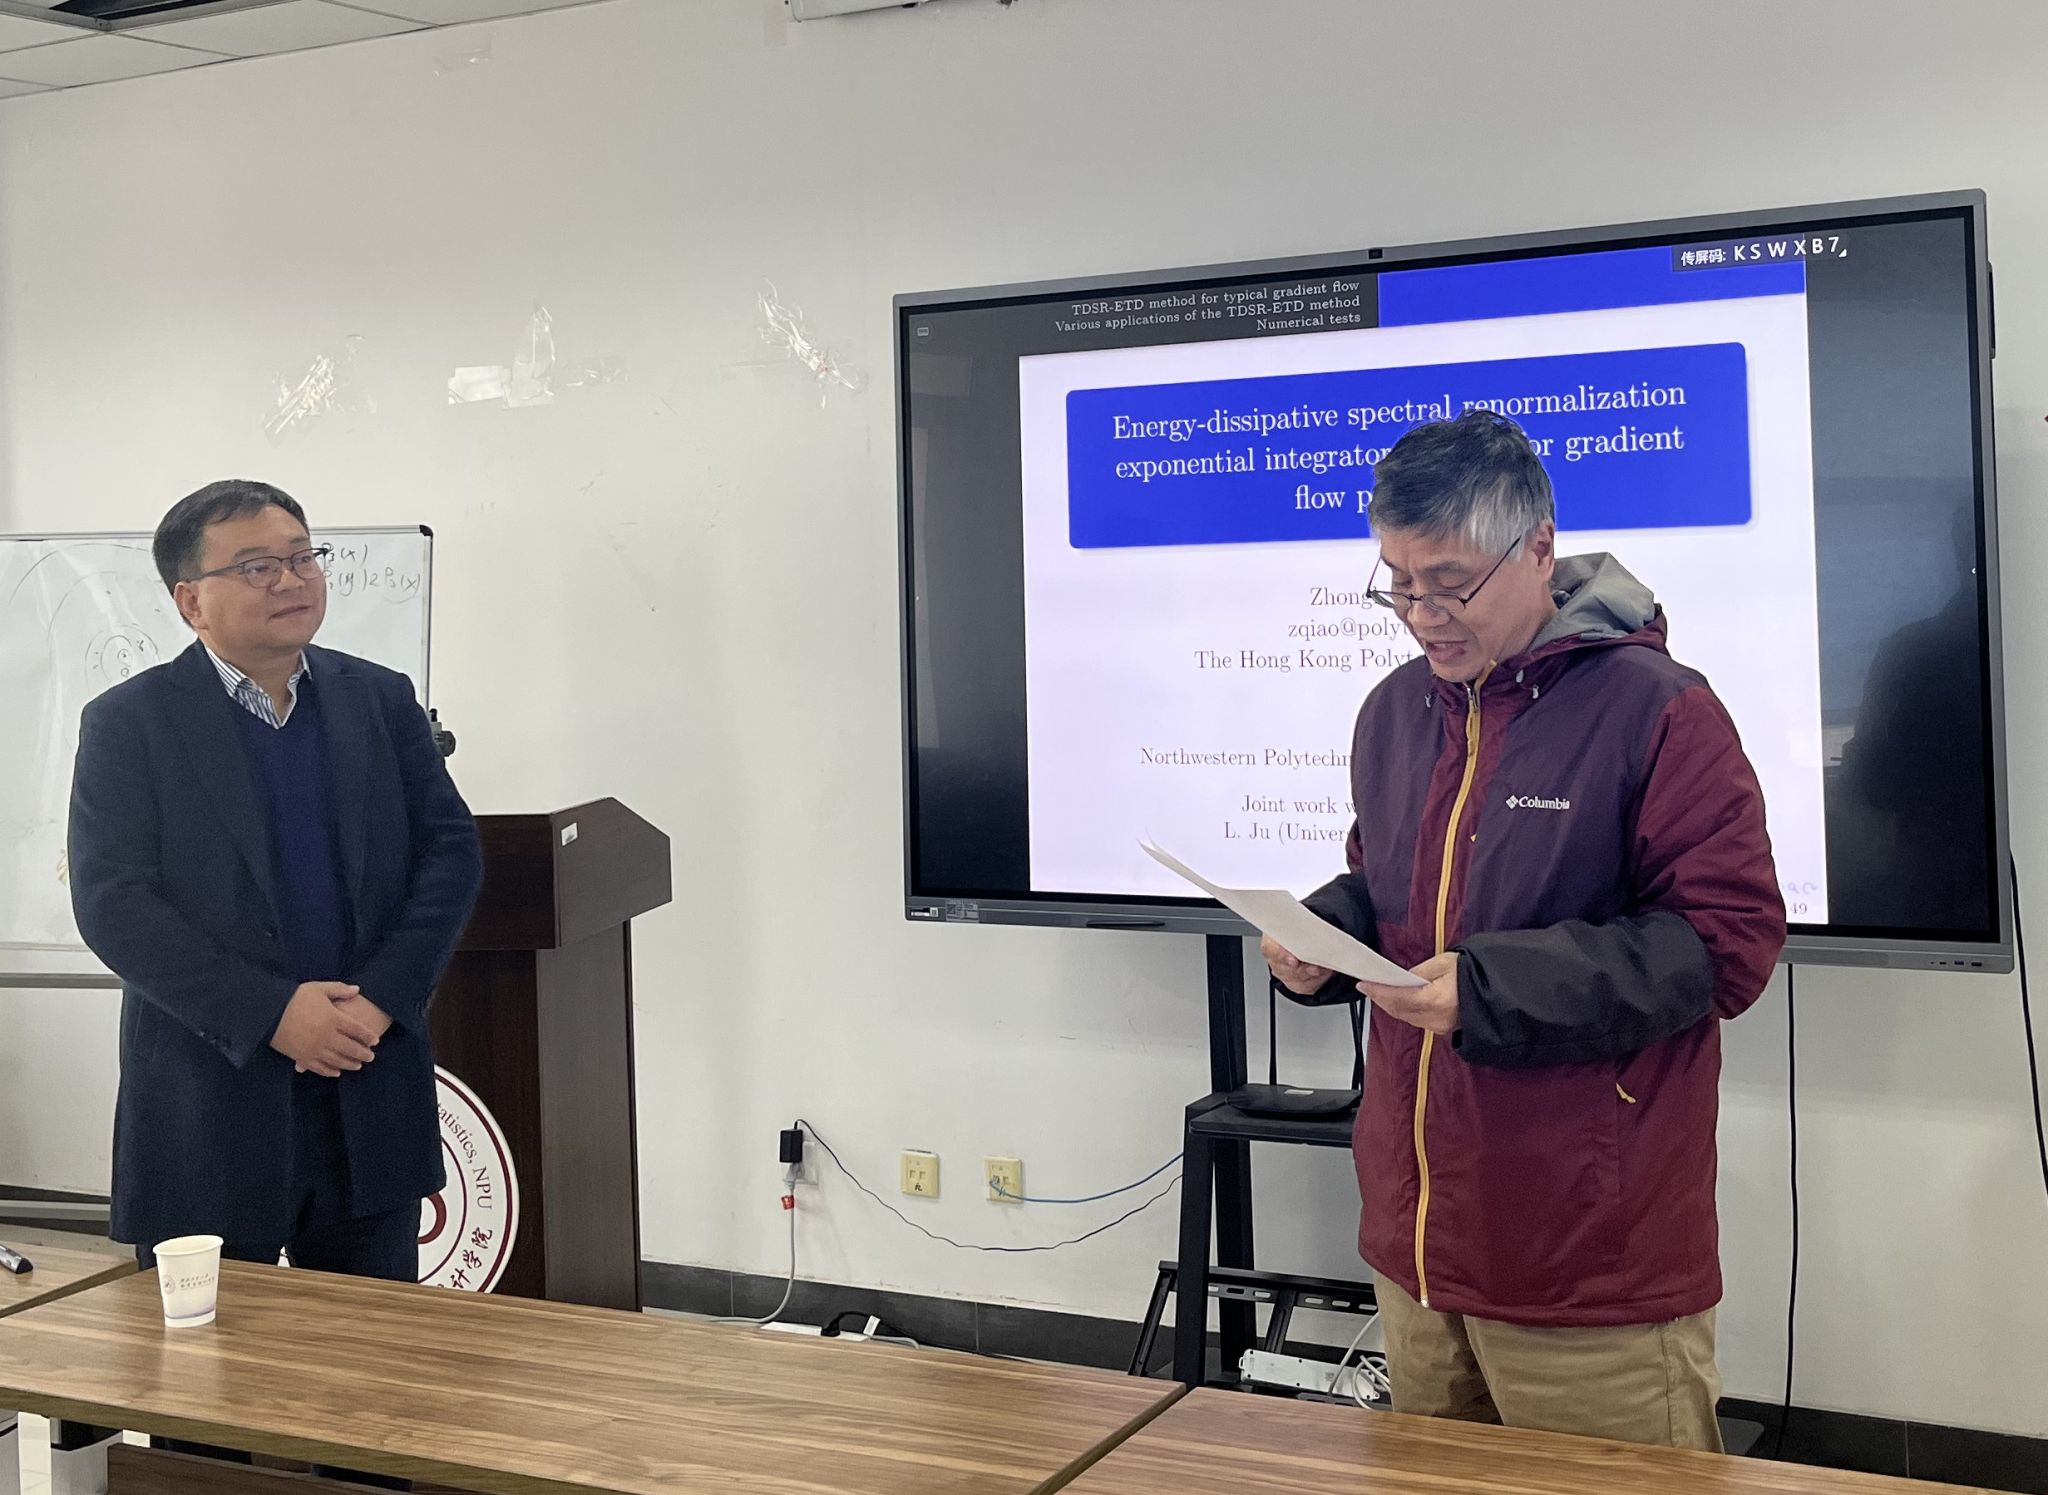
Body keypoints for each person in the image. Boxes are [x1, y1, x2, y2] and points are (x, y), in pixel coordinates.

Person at [1263, 410, 1785, 1450]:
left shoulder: (1659, 711)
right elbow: (1389, 886)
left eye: (1448, 582)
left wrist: (1491, 988)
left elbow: (1724, 943)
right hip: (1416, 1246)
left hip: (1588, 1262)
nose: (1421, 616)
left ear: (1538, 548)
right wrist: (1324, 931)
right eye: (1397, 583)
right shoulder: (1392, 712)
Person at [68, 481, 483, 1480]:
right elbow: (114, 903)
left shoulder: (379, 700)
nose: (292, 579)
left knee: (373, 1393)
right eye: (257, 565)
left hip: (366, 1086)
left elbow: (449, 855)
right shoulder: (130, 723)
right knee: (205, 1402)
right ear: (190, 599)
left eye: (302, 555)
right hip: (207, 1105)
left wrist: (379, 999)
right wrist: (271, 1014)